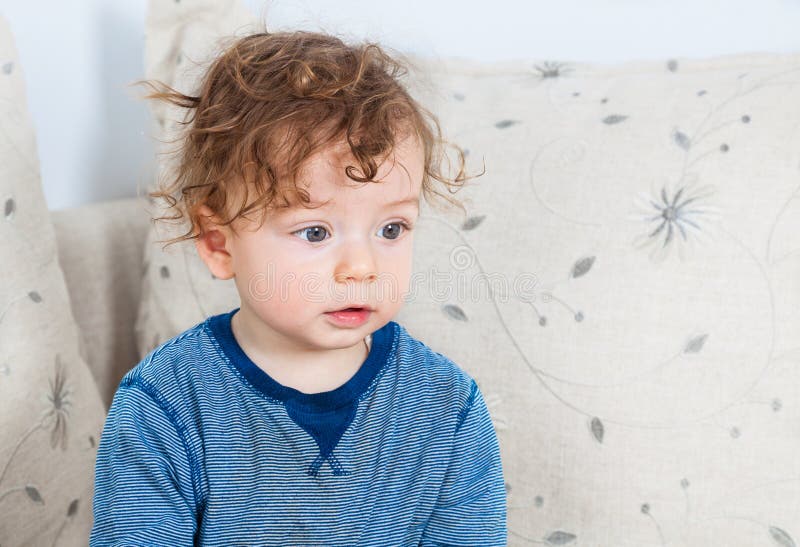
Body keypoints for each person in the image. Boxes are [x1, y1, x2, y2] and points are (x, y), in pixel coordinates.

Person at [90, 29, 506, 546]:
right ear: (220, 244)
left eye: (391, 229)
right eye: (315, 232)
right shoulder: (165, 405)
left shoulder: (447, 407)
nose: (361, 267)